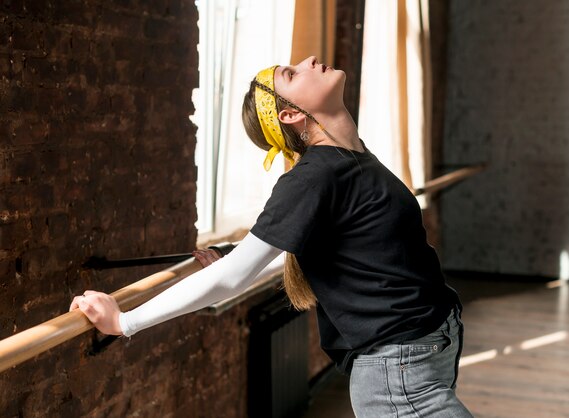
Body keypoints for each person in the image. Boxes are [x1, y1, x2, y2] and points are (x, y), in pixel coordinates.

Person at [70, 56, 473, 417]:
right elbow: (233, 277)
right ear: (291, 115)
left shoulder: (354, 158)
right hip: (397, 370)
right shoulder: (313, 177)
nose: (310, 59)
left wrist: (236, 257)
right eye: (291, 73)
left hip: (425, 346)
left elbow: (343, 248)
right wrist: (125, 321)